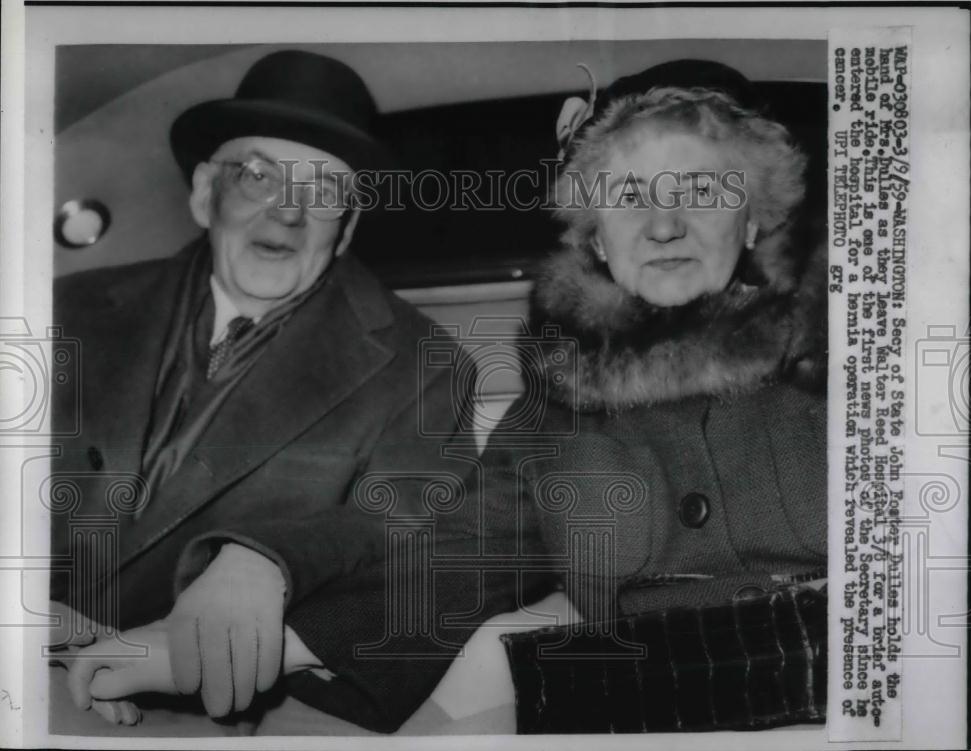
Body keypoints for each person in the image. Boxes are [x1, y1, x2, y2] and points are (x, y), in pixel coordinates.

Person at [47, 50, 502, 734]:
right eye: (257, 174)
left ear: (346, 225)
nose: (288, 211)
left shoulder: (424, 364)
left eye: (323, 190)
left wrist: (268, 561)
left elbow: (413, 528)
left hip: (183, 711)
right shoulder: (62, 309)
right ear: (205, 192)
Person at [486, 60, 828, 732]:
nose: (664, 225)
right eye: (628, 195)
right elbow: (459, 547)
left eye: (700, 191)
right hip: (643, 714)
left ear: (753, 221)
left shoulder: (855, 348)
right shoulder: (556, 392)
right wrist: (271, 581)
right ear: (595, 238)